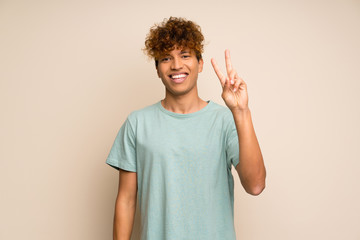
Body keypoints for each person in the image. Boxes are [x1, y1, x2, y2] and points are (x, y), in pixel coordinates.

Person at [106, 17, 266, 240]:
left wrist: (241, 112)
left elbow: (256, 185)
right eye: (166, 58)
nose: (176, 65)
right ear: (157, 69)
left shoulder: (225, 120)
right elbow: (126, 200)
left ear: (200, 64)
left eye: (185, 55)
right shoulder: (137, 123)